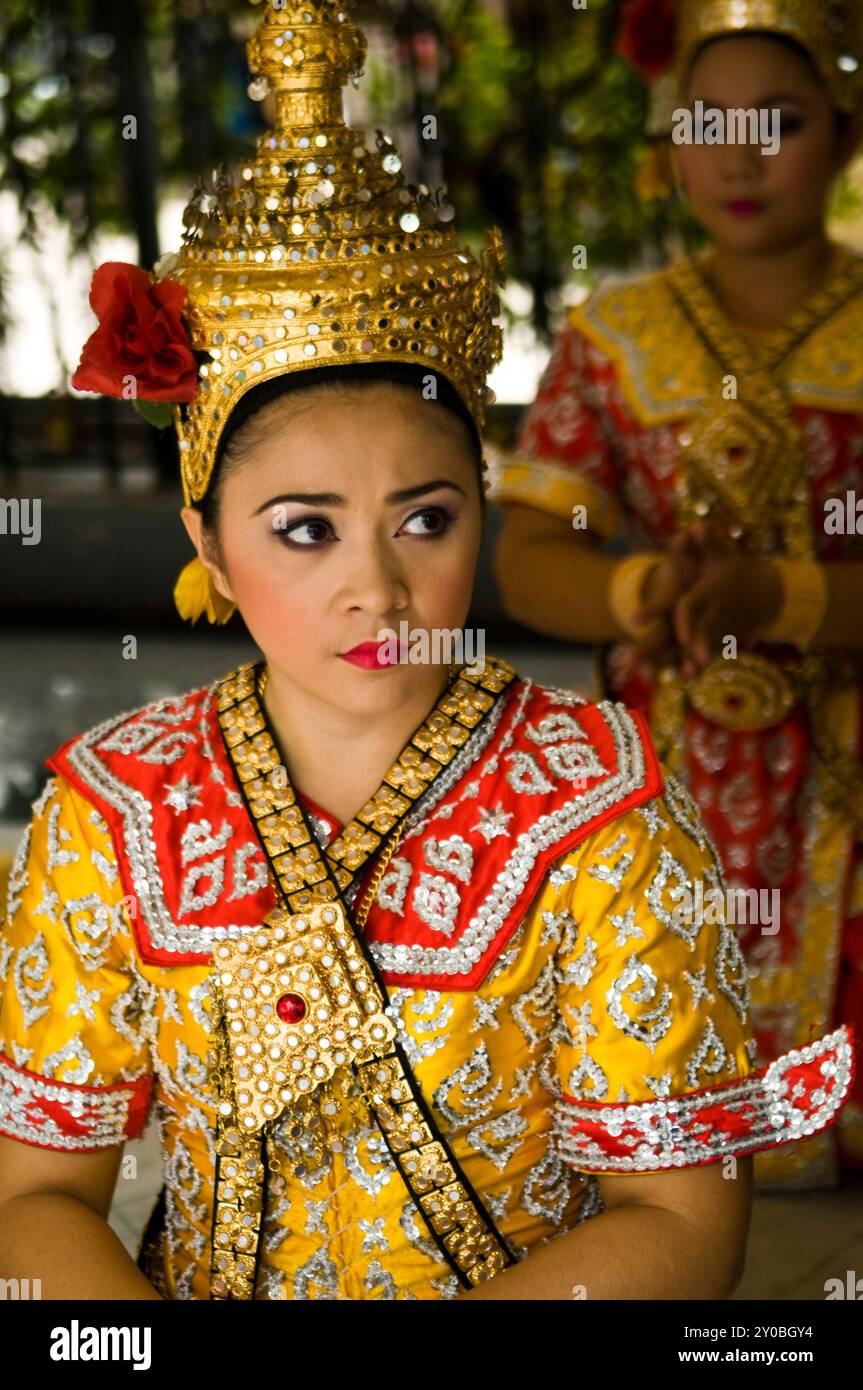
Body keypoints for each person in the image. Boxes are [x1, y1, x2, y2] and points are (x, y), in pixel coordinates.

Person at [0, 0, 853, 1302]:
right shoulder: (115, 808)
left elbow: (678, 1224)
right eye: (301, 530)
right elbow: (37, 1195)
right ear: (208, 547)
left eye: (427, 517)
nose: (379, 585)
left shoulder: (604, 803)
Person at [494, 0, 863, 1193]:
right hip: (668, 756)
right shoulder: (613, 335)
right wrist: (647, 584)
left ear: (844, 137)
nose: (739, 154)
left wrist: (783, 594)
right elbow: (528, 552)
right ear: (666, 146)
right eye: (707, 122)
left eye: (779, 120)